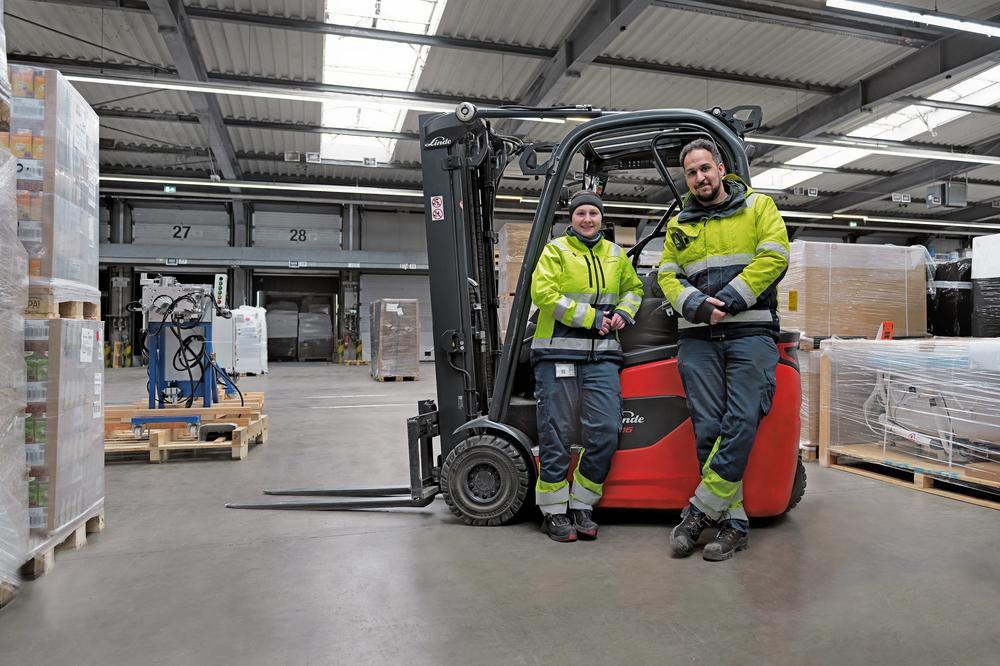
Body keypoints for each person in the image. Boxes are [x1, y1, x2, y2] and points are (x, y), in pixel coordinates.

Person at [657, 138, 790, 561]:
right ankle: (733, 523)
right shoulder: (680, 224)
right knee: (708, 427)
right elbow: (666, 274)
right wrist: (694, 305)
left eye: (704, 169)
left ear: (719, 167)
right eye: (692, 173)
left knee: (741, 418)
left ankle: (698, 512)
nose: (700, 178)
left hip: (750, 332)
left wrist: (730, 299)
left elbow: (775, 257)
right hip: (698, 338)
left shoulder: (758, 207)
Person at [529, 190, 644, 542]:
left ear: (601, 218)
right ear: (572, 218)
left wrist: (625, 312)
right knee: (557, 433)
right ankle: (552, 511)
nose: (587, 219)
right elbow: (543, 293)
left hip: (602, 358)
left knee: (606, 431)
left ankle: (581, 503)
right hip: (558, 355)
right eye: (581, 213)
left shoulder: (615, 254)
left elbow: (634, 289)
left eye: (593, 213)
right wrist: (592, 318)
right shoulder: (556, 251)